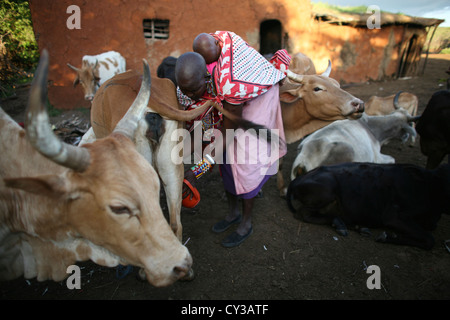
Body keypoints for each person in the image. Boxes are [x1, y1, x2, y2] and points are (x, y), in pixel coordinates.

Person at [176, 31, 290, 247]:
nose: (190, 96)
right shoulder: (210, 45)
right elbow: (210, 116)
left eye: (193, 91)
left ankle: (246, 223)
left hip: (259, 98)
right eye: (185, 91)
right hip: (233, 99)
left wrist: (197, 171)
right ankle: (233, 213)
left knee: (246, 159)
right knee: (227, 160)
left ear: (207, 78)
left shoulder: (229, 84)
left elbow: (229, 131)